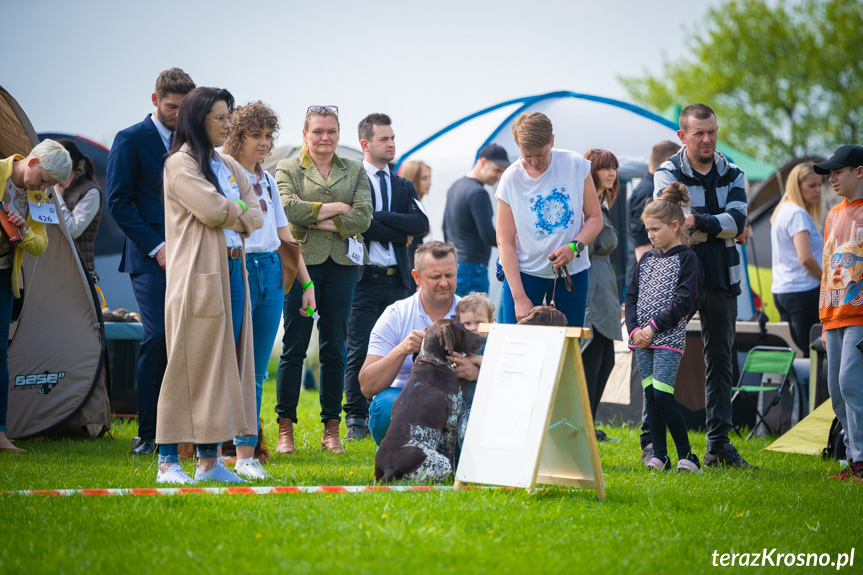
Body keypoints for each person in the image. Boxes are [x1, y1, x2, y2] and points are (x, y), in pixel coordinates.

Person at [155, 87, 264, 484]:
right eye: (220, 118)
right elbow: (213, 210)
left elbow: (256, 213)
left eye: (228, 117)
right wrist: (233, 212)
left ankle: (209, 462)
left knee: (227, 367)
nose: (227, 124)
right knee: (190, 364)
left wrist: (231, 213)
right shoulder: (179, 165)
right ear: (198, 119)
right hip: (198, 276)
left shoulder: (229, 164)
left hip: (235, 273)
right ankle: (168, 461)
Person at [653, 103, 756, 469]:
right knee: (662, 356)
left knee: (722, 362)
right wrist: (718, 224)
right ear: (682, 136)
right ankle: (655, 446)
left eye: (712, 131)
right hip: (678, 276)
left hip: (722, 277)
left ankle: (718, 447)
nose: (707, 139)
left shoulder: (735, 172)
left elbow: (740, 220)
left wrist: (699, 220)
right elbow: (670, 221)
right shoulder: (667, 172)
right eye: (699, 133)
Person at [107, 68, 196, 456]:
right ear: (155, 99)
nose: (178, 114)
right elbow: (119, 203)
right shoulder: (129, 139)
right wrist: (157, 248)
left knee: (187, 342)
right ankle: (147, 433)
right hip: (149, 259)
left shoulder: (194, 141)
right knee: (157, 337)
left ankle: (183, 429)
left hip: (193, 254)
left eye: (184, 107)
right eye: (172, 106)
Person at [275, 105, 372, 454]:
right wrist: (337, 209)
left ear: (339, 133)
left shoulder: (356, 169)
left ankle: (332, 428)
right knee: (294, 347)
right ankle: (285, 427)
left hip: (341, 266)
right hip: (300, 264)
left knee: (335, 348)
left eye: (331, 131)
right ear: (305, 134)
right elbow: (287, 210)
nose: (325, 137)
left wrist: (311, 217)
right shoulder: (287, 168)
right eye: (318, 131)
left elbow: (362, 218)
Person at [222, 101, 315, 460]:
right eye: (255, 135)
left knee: (257, 370)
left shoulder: (269, 181)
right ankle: (217, 444)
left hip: (272, 271)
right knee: (227, 362)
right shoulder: (223, 177)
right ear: (235, 137)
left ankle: (247, 448)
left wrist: (305, 286)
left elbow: (285, 236)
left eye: (268, 135)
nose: (264, 143)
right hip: (235, 269)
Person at [343, 114, 429, 441]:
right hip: (364, 280)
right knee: (360, 347)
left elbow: (420, 225)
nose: (391, 144)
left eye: (393, 138)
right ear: (365, 144)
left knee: (401, 345)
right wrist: (394, 228)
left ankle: (397, 407)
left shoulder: (403, 184)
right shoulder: (353, 181)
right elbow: (359, 225)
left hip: (399, 281)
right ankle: (355, 419)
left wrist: (379, 218)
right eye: (384, 139)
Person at [359, 241, 478, 444]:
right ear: (417, 277)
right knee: (384, 408)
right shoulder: (396, 315)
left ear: (457, 271)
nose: (444, 283)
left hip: (458, 399)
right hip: (408, 396)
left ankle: (430, 449)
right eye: (435, 277)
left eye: (449, 275)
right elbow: (367, 386)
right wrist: (402, 350)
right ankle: (416, 450)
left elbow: (503, 375)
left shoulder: (474, 315)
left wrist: (476, 373)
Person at [496, 112, 603, 325]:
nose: (535, 161)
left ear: (552, 140)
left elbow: (595, 218)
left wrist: (574, 247)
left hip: (572, 273)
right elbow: (505, 241)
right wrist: (519, 298)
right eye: (528, 155)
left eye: (541, 154)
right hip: (525, 275)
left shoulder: (575, 164)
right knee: (517, 344)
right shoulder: (510, 179)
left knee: (568, 346)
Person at [626, 182, 704, 472]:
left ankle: (687, 455)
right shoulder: (646, 258)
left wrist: (653, 328)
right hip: (641, 341)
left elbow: (685, 301)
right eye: (647, 230)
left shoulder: (688, 258)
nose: (650, 236)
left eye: (655, 229)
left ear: (674, 225)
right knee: (651, 398)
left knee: (662, 394)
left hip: (667, 338)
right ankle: (660, 455)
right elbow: (631, 295)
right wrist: (634, 329)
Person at [0, 140, 71, 453]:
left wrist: (24, 231)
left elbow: (41, 246)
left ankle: (0, 434)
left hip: (4, 277)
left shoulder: (40, 196)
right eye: (43, 179)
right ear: (31, 161)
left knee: (0, 356)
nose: (44, 188)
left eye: (51, 185)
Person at [627, 140, 681, 460]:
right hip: (647, 317)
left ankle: (669, 449)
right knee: (653, 392)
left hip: (661, 325)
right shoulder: (646, 195)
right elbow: (640, 251)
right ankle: (652, 444)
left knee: (660, 391)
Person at [815, 145, 863, 481]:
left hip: (859, 315)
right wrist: (824, 318)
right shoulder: (833, 214)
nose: (831, 177)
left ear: (859, 171)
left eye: (838, 171)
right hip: (833, 314)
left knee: (851, 382)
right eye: (829, 172)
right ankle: (850, 459)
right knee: (835, 389)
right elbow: (828, 265)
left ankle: (862, 461)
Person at [581, 148, 623, 442]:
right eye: (605, 168)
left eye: (614, 168)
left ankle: (589, 424)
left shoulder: (602, 203)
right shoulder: (586, 202)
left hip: (604, 283)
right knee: (591, 359)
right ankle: (582, 426)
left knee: (606, 360)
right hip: (590, 284)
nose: (611, 173)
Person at [770, 161, 823, 356]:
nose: (818, 190)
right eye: (812, 185)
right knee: (809, 355)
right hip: (803, 291)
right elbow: (806, 258)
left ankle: (795, 387)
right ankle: (807, 388)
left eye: (819, 184)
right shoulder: (797, 214)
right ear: (797, 185)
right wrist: (827, 281)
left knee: (793, 354)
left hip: (783, 291)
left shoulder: (783, 210)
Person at [443, 144, 510, 296]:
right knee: (476, 318)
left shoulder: (455, 186)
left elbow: (444, 228)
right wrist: (513, 241)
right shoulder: (478, 193)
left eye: (502, 173)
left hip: (454, 266)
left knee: (455, 317)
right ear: (483, 162)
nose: (499, 177)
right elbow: (488, 235)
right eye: (497, 170)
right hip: (473, 268)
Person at [627, 141, 682, 280]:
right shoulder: (647, 191)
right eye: (678, 162)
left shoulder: (653, 188)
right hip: (646, 277)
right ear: (666, 163)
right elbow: (640, 239)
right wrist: (655, 277)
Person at [54, 139, 102, 276]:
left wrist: (58, 197)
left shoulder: (90, 191)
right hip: (54, 264)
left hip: (78, 268)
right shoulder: (47, 186)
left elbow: (73, 230)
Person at [454, 291, 494, 450]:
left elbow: (501, 369)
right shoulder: (457, 344)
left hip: (482, 404)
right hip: (457, 404)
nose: (473, 328)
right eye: (467, 323)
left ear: (491, 322)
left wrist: (479, 360)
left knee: (467, 435)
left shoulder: (494, 343)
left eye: (479, 323)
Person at [398, 160, 431, 265]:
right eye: (424, 178)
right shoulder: (408, 206)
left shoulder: (417, 204)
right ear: (413, 179)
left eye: (430, 178)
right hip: (410, 261)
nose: (429, 182)